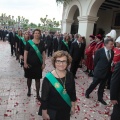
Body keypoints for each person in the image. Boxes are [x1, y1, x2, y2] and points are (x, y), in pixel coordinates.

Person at [39, 51, 76, 120]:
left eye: (64, 61)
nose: (61, 64)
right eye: (58, 61)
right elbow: (44, 98)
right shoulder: (48, 78)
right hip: (52, 111)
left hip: (65, 110)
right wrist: (44, 112)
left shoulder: (70, 75)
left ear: (67, 62)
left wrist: (73, 106)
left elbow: (73, 92)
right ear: (54, 62)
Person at [85, 39, 114, 105]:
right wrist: (97, 69)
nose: (112, 45)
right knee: (94, 84)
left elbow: (110, 61)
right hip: (99, 71)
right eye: (111, 44)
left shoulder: (112, 52)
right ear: (106, 44)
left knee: (102, 86)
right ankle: (87, 92)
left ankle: (100, 98)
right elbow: (95, 61)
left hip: (106, 72)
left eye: (112, 44)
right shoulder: (99, 51)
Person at [24, 29, 46, 101]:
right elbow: (26, 53)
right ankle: (29, 90)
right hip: (29, 64)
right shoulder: (29, 43)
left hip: (38, 65)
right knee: (29, 78)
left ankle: (37, 94)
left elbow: (43, 54)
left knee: (38, 79)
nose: (36, 34)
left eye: (38, 33)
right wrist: (25, 63)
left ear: (40, 34)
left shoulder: (42, 43)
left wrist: (43, 63)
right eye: (35, 33)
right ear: (33, 34)